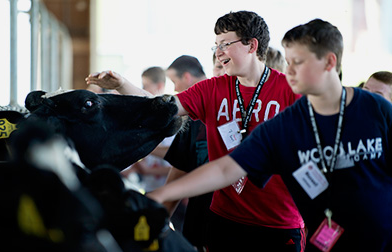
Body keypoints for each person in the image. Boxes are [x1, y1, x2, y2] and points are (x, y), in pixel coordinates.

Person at [146, 19, 392, 252]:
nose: (290, 70)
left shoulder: (377, 110)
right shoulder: (284, 124)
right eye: (288, 62)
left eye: (299, 62)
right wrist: (161, 195)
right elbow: (225, 169)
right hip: (323, 241)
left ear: (329, 62)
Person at [86, 11, 305, 251]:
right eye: (216, 46)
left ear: (251, 45)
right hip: (225, 220)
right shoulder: (212, 89)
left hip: (279, 224)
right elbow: (162, 108)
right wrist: (121, 84)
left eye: (225, 44)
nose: (218, 52)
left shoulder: (290, 90)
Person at [161, 55, 210, 251]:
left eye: (174, 82)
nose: (174, 88)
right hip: (200, 224)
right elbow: (180, 164)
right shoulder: (192, 118)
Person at [121, 66, 174, 193]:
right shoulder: (148, 120)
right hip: (149, 188)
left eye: (145, 85)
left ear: (159, 86)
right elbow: (146, 158)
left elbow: (178, 163)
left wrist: (148, 171)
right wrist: (132, 169)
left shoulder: (171, 124)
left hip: (167, 191)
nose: (142, 90)